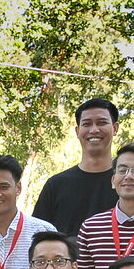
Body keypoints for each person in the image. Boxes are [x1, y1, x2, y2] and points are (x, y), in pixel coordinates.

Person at [32, 99, 121, 238]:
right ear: (77, 131)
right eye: (86, 124)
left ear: (115, 128)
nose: (94, 129)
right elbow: (39, 238)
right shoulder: (56, 185)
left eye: (102, 123)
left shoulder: (129, 183)